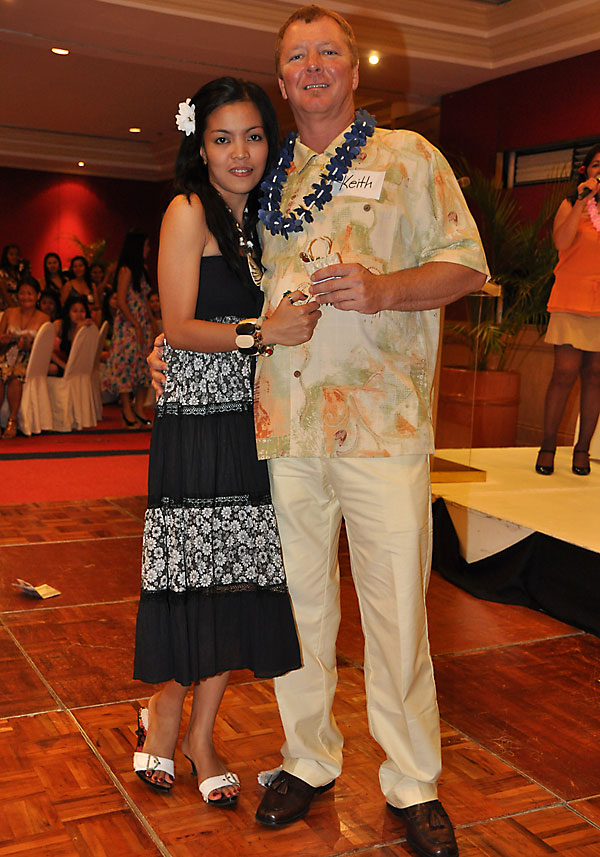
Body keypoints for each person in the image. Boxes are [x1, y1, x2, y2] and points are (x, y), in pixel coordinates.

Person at [149, 7, 487, 853]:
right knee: (298, 609)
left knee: (397, 612)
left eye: (327, 51)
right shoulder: (262, 174)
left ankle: (412, 781)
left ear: (354, 67)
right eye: (296, 56)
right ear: (280, 77)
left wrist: (385, 289)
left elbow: (467, 264)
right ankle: (307, 758)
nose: (311, 66)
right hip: (285, 431)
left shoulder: (409, 158)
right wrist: (170, 343)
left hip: (382, 426)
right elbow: (217, 281)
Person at [132, 77, 320, 808]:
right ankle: (165, 714)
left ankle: (202, 735)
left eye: (253, 136)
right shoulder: (187, 210)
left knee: (233, 575)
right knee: (191, 574)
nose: (240, 152)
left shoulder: (261, 223)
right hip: (195, 419)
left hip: (249, 418)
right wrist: (262, 331)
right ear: (200, 147)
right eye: (222, 138)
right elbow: (179, 326)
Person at [535, 143, 600, 477]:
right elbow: (561, 242)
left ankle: (582, 450)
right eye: (597, 165)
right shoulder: (570, 202)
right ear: (585, 170)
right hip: (571, 298)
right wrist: (582, 201)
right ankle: (547, 447)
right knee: (564, 372)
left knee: (595, 376)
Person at [101, 231, 154, 428]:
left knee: (143, 367)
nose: (148, 249)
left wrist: (151, 323)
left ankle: (139, 408)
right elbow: (122, 301)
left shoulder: (142, 270)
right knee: (126, 366)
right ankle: (126, 409)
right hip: (128, 325)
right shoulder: (125, 270)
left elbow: (145, 300)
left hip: (142, 323)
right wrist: (136, 325)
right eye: (146, 245)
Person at [0, 277, 49, 438]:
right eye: (22, 293)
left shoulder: (44, 318)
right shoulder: (9, 312)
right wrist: (4, 340)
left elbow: (44, 347)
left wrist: (28, 346)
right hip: (7, 354)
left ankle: (12, 420)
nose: (25, 297)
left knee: (15, 377)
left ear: (38, 295)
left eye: (29, 293)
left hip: (30, 358)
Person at [49, 294, 95, 377]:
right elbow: (48, 351)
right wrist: (64, 366)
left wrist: (78, 329)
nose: (79, 315)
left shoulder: (87, 328)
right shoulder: (58, 325)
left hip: (76, 367)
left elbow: (76, 354)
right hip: (58, 362)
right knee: (52, 368)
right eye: (75, 311)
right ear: (68, 312)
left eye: (82, 311)